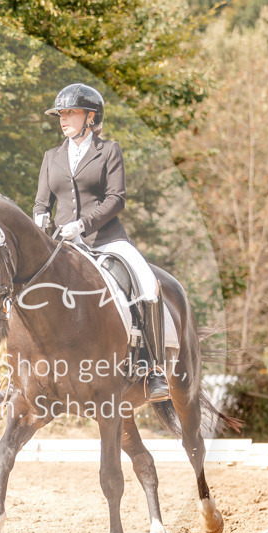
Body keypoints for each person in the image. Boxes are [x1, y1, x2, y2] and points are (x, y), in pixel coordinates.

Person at [32, 83, 168, 402]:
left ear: (90, 116)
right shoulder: (51, 157)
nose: (63, 119)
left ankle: (153, 369)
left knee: (147, 284)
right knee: (23, 284)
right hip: (62, 244)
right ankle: (14, 376)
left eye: (70, 113)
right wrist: (40, 221)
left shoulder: (109, 151)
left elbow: (116, 199)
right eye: (61, 114)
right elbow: (42, 203)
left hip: (105, 240)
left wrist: (83, 223)